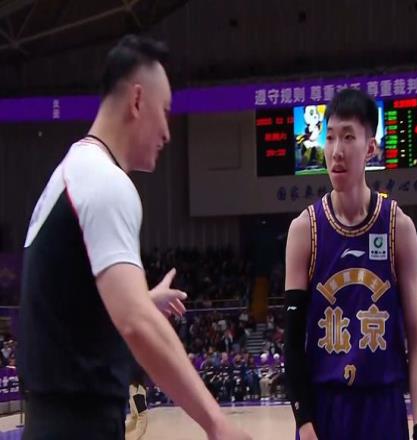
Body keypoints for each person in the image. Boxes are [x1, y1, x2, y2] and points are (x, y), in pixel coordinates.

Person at [18, 34, 251, 440]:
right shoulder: (105, 182)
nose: (167, 133)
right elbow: (136, 324)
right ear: (138, 100)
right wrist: (216, 423)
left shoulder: (73, 173)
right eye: (165, 111)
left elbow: (69, 306)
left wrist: (142, 299)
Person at [284, 88, 417, 440]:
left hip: (383, 406)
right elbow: (292, 341)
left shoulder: (398, 227)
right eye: (330, 137)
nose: (336, 150)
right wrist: (304, 421)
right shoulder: (305, 229)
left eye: (348, 137)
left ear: (370, 148)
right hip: (325, 407)